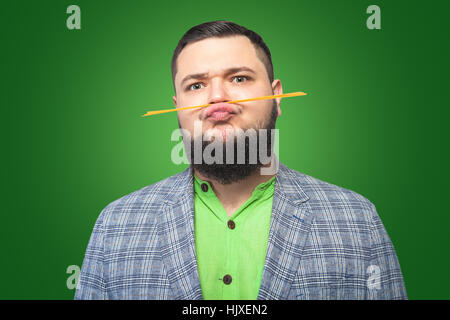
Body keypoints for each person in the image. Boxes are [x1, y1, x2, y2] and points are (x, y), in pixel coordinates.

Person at [75, 20, 407, 300]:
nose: (217, 98)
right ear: (177, 105)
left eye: (239, 79)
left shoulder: (357, 219)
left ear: (277, 96)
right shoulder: (114, 225)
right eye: (196, 85)